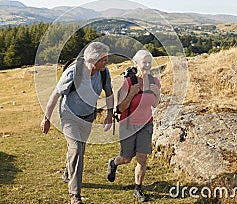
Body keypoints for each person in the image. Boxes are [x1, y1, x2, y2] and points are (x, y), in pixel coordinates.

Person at [40, 42, 114, 204]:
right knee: (76, 149)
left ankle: (68, 173)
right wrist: (46, 118)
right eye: (104, 60)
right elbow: (55, 95)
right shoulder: (73, 73)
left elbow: (109, 92)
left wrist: (109, 115)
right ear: (93, 60)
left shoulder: (103, 73)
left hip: (88, 116)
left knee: (79, 149)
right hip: (69, 115)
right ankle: (75, 194)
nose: (107, 62)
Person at [106, 50, 161, 202]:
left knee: (142, 159)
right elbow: (120, 108)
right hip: (128, 125)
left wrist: (157, 94)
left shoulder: (155, 82)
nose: (148, 65)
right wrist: (131, 94)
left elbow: (155, 104)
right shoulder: (129, 83)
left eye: (150, 62)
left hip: (146, 124)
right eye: (144, 62)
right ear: (136, 64)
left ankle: (138, 189)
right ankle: (114, 162)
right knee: (126, 158)